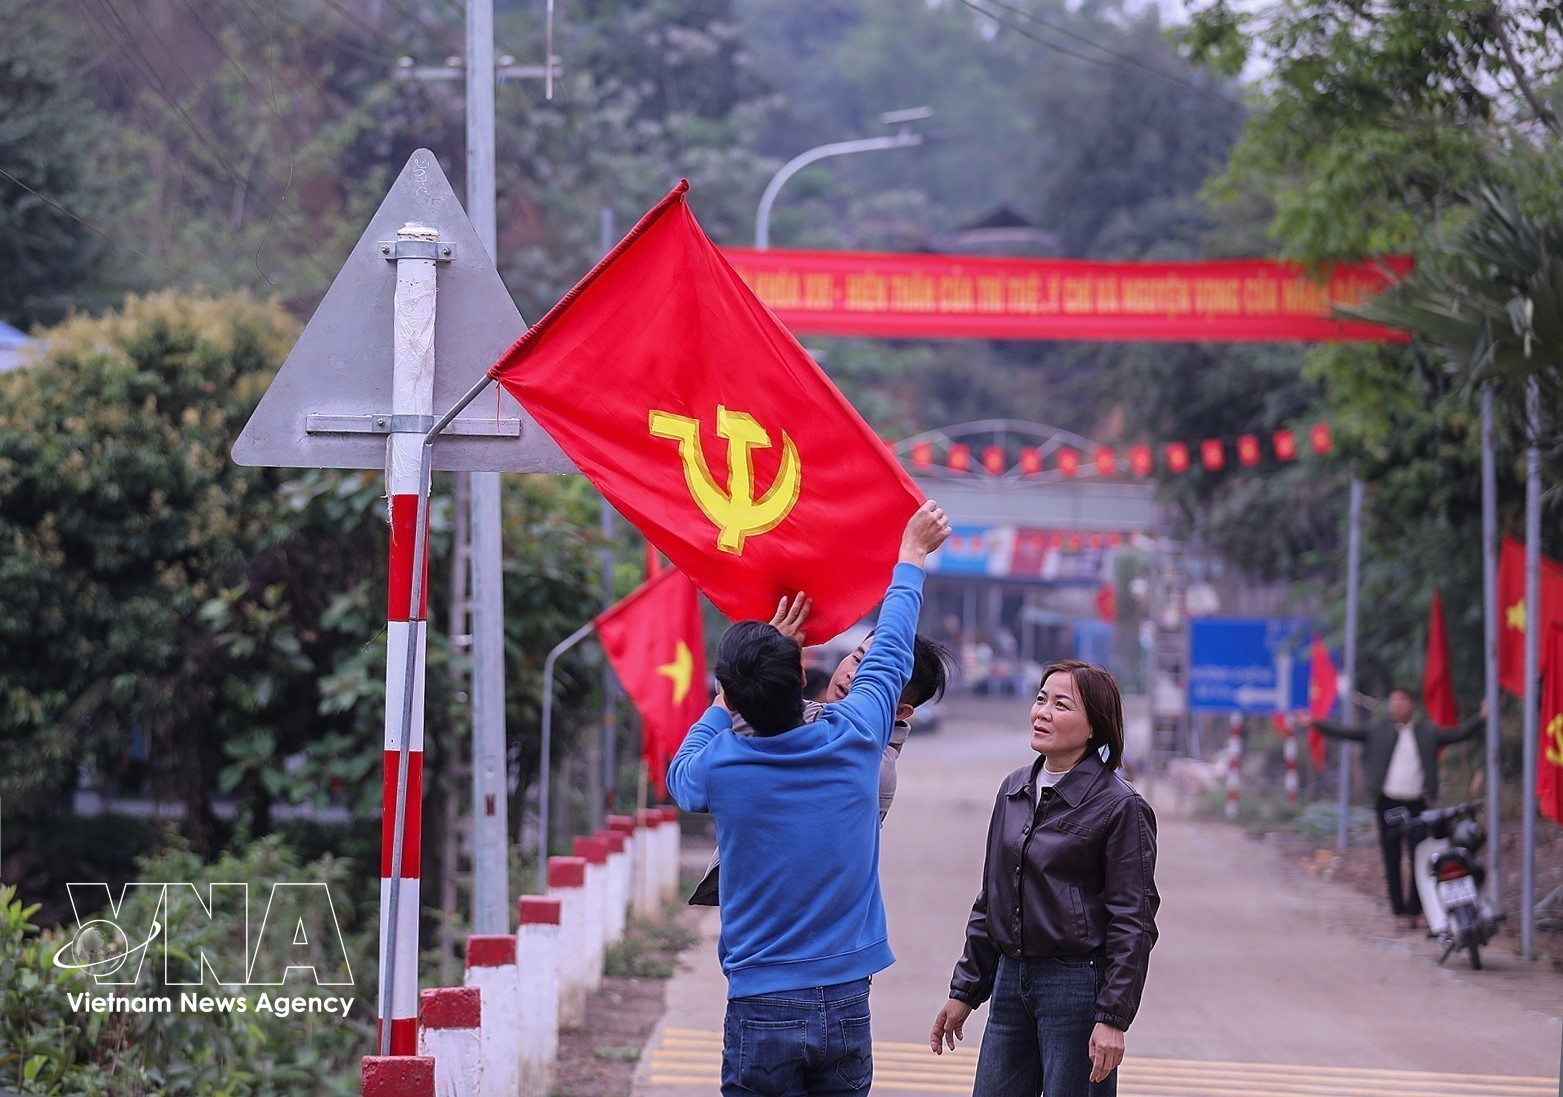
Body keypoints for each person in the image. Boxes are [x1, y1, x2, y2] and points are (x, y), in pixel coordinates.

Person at [666, 500, 951, 1097]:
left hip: (760, 1001)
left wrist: (730, 697)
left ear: (733, 696)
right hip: (848, 997)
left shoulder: (720, 767)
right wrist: (911, 558)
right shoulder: (858, 740)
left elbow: (680, 774)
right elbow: (892, 651)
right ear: (804, 676)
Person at [929, 660, 1159, 1097]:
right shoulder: (1014, 789)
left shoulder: (1119, 806)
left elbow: (1134, 920)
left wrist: (1112, 1017)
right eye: (1040, 700)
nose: (1043, 712)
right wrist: (965, 990)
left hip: (1076, 987)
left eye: (1061, 704)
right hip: (1011, 981)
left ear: (1094, 727)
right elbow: (991, 899)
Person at [687, 617, 957, 905]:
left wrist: (765, 666)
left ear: (901, 711)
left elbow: (695, 773)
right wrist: (762, 657)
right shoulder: (814, 716)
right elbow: (737, 700)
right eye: (856, 658)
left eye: (873, 678)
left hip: (792, 922)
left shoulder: (873, 766)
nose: (854, 675)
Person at [1297, 687, 1485, 930]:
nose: (1396, 705)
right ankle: (1400, 912)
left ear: (1412, 705)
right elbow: (1347, 731)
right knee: (1391, 857)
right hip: (1388, 803)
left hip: (1418, 803)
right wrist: (1316, 723)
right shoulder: (1378, 729)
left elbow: (1458, 734)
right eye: (1393, 701)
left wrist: (1482, 717)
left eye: (1402, 701)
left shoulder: (1426, 732)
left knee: (1421, 856)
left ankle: (1416, 910)